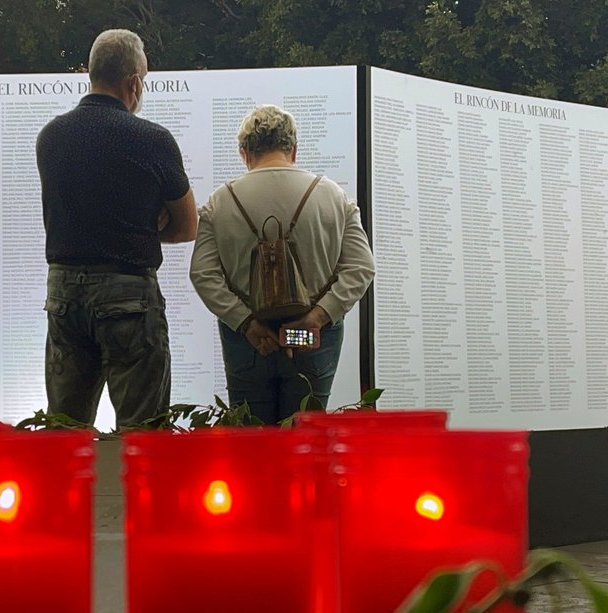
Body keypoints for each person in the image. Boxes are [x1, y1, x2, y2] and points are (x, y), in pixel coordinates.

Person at [36, 29, 197, 428]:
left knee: (65, 432)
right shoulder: (152, 140)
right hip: (129, 295)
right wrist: (144, 226)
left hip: (63, 295)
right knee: (143, 435)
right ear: (134, 83)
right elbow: (188, 225)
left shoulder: (50, 137)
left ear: (91, 74)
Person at [189, 104, 374, 424]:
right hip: (313, 340)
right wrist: (316, 317)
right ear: (294, 149)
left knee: (253, 441)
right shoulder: (333, 196)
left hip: (249, 342)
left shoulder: (219, 202)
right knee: (305, 437)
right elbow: (361, 268)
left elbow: (203, 274)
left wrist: (246, 323)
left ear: (244, 152)